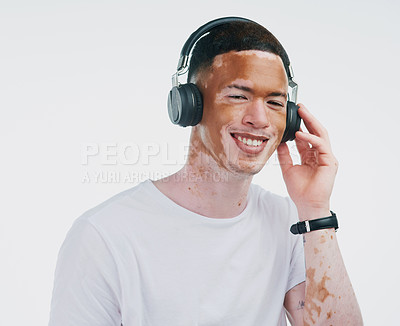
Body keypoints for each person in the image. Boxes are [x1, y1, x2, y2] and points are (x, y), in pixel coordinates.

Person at [49, 17, 363, 325]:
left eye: (275, 102)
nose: (259, 118)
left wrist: (315, 210)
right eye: (239, 96)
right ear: (190, 106)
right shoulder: (103, 235)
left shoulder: (291, 223)